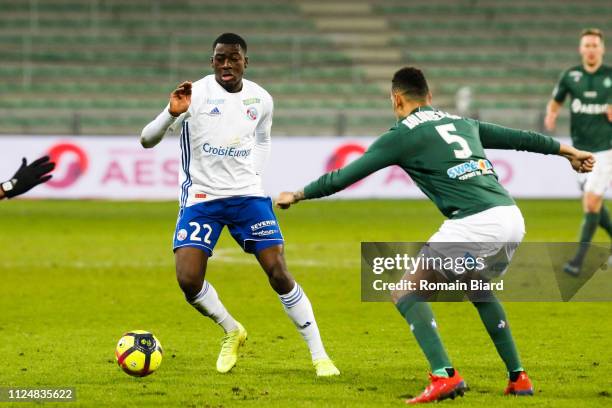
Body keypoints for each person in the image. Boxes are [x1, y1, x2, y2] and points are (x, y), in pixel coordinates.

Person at [276, 67, 594, 403]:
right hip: (511, 217)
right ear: (429, 97)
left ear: (396, 100)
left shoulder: (401, 135)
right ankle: (519, 378)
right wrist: (568, 152)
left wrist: (297, 194)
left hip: (474, 222)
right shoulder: (461, 122)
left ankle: (444, 375)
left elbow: (344, 175)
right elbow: (519, 138)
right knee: (477, 288)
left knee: (405, 293)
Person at [140, 33, 339, 377]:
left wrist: (255, 177)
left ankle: (320, 356)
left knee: (278, 270)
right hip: (202, 199)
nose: (227, 64)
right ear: (212, 62)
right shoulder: (194, 94)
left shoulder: (261, 99)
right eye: (220, 59)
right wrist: (171, 112)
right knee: (188, 280)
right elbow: (147, 140)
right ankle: (232, 329)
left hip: (247, 197)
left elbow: (263, 139)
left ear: (246, 61)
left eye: (233, 58)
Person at [544, 28, 612, 276]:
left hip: (606, 150)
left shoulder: (610, 76)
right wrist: (551, 114)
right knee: (594, 204)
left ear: (602, 49)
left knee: (591, 203)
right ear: (581, 49)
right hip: (579, 152)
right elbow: (557, 99)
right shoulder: (571, 75)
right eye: (587, 45)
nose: (591, 49)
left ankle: (577, 261)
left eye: (595, 45)